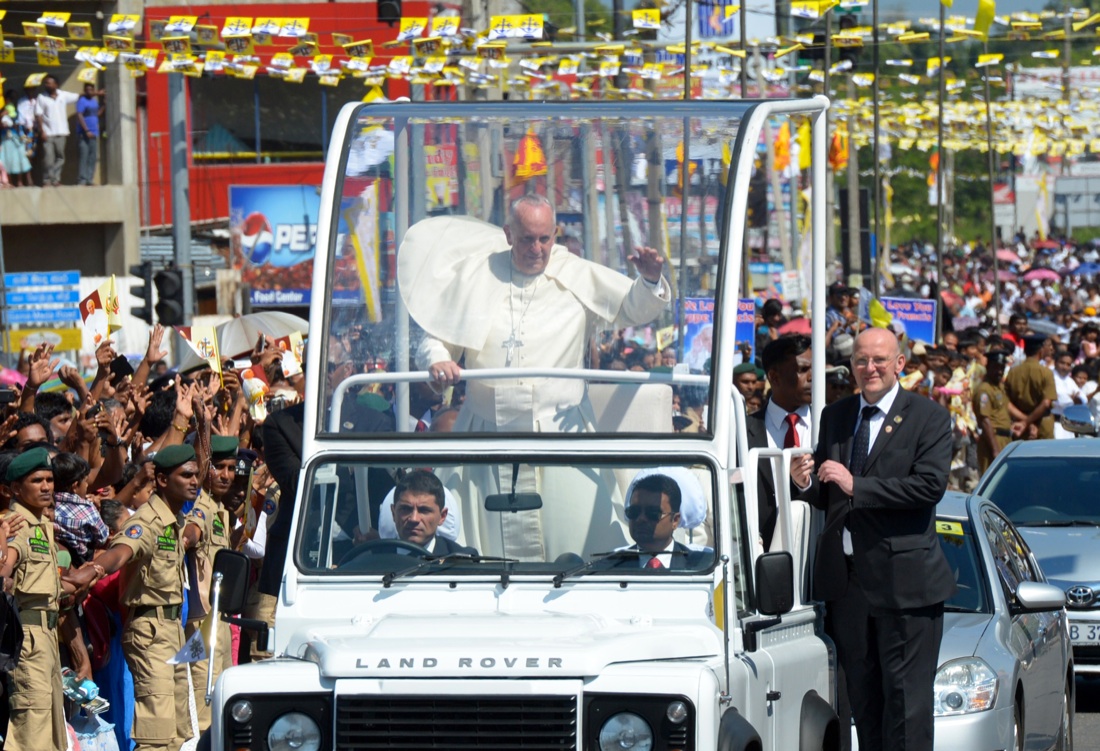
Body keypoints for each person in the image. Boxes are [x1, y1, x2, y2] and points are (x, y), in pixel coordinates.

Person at [794, 328, 955, 751]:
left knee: (906, 708)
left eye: (879, 360)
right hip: (848, 588)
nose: (870, 369)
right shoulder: (837, 415)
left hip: (906, 588)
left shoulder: (929, 417)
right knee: (862, 704)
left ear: (899, 363)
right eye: (862, 361)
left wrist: (857, 486)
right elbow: (830, 491)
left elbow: (928, 487)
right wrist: (804, 484)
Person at [405, 193, 670, 433]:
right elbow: (437, 336)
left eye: (544, 239)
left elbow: (631, 308)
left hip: (561, 428)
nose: (537, 249)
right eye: (527, 239)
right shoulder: (477, 275)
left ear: (554, 234)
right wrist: (438, 359)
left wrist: (649, 281)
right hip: (484, 426)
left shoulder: (577, 274)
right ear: (509, 235)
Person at [67, 444, 198, 751]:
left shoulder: (174, 519)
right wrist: (95, 569)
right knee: (156, 734)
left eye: (195, 475)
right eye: (186, 475)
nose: (195, 481)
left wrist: (203, 432)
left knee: (176, 731)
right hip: (150, 631)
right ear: (163, 480)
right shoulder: (147, 521)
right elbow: (122, 551)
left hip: (172, 629)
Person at [0, 449, 66, 751]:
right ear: (15, 488)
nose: (46, 487)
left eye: (50, 480)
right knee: (32, 730)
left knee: (50, 732)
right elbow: (4, 573)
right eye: (36, 480)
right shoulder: (15, 525)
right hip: (27, 638)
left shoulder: (41, 525)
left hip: (47, 635)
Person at [181, 435, 236, 731]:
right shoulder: (195, 505)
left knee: (225, 694)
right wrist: (202, 425)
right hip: (203, 620)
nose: (225, 475)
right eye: (218, 467)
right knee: (206, 701)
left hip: (221, 617)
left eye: (231, 467)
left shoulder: (219, 509)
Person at [744, 335, 812, 551]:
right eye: (802, 370)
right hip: (759, 559)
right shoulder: (743, 432)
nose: (812, 377)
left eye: (815, 369)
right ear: (774, 376)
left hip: (816, 558)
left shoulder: (834, 426)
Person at [616, 473, 709, 570]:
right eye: (634, 512)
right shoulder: (606, 568)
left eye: (653, 513)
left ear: (675, 520)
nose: (641, 518)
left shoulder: (704, 567)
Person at [389, 470, 476, 555]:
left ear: (442, 517)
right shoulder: (376, 558)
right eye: (405, 509)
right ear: (393, 513)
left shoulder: (462, 561)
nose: (414, 519)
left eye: (424, 510)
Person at [972, 351, 1021, 474]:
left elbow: (1006, 407)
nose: (999, 371)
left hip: (1006, 438)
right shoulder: (984, 389)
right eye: (996, 368)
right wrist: (995, 450)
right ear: (988, 367)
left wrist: (1026, 420)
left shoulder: (999, 387)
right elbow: (985, 420)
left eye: (1002, 368)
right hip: (993, 439)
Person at [1004, 335, 1056, 440]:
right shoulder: (1046, 372)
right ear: (1041, 350)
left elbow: (1007, 403)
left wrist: (1024, 421)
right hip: (1042, 423)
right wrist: (1027, 422)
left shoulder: (1013, 371)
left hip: (1019, 423)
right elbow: (1046, 403)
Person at [34, 76, 81, 186]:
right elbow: (38, 115)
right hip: (48, 133)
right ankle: (47, 180)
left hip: (62, 132)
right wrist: (42, 131)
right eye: (45, 83)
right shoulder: (42, 97)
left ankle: (55, 179)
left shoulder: (63, 95)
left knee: (60, 158)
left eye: (49, 83)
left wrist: (97, 94)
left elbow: (79, 96)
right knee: (48, 158)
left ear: (56, 85)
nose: (47, 85)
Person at [76, 83, 102, 185]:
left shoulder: (95, 102)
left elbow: (97, 114)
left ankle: (89, 179)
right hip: (84, 133)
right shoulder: (82, 101)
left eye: (91, 89)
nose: (89, 91)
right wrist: (86, 130)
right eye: (87, 90)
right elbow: (79, 115)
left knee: (92, 157)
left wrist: (103, 105)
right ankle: (82, 179)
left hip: (94, 132)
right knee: (84, 156)